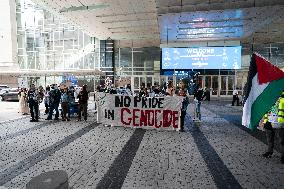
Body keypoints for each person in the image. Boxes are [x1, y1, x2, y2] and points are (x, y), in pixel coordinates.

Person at [262, 91, 284, 164]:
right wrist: (265, 122)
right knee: (269, 139)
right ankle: (269, 152)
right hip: (269, 122)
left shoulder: (283, 99)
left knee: (282, 141)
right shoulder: (269, 100)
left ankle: (283, 156)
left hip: (279, 123)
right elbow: (266, 111)